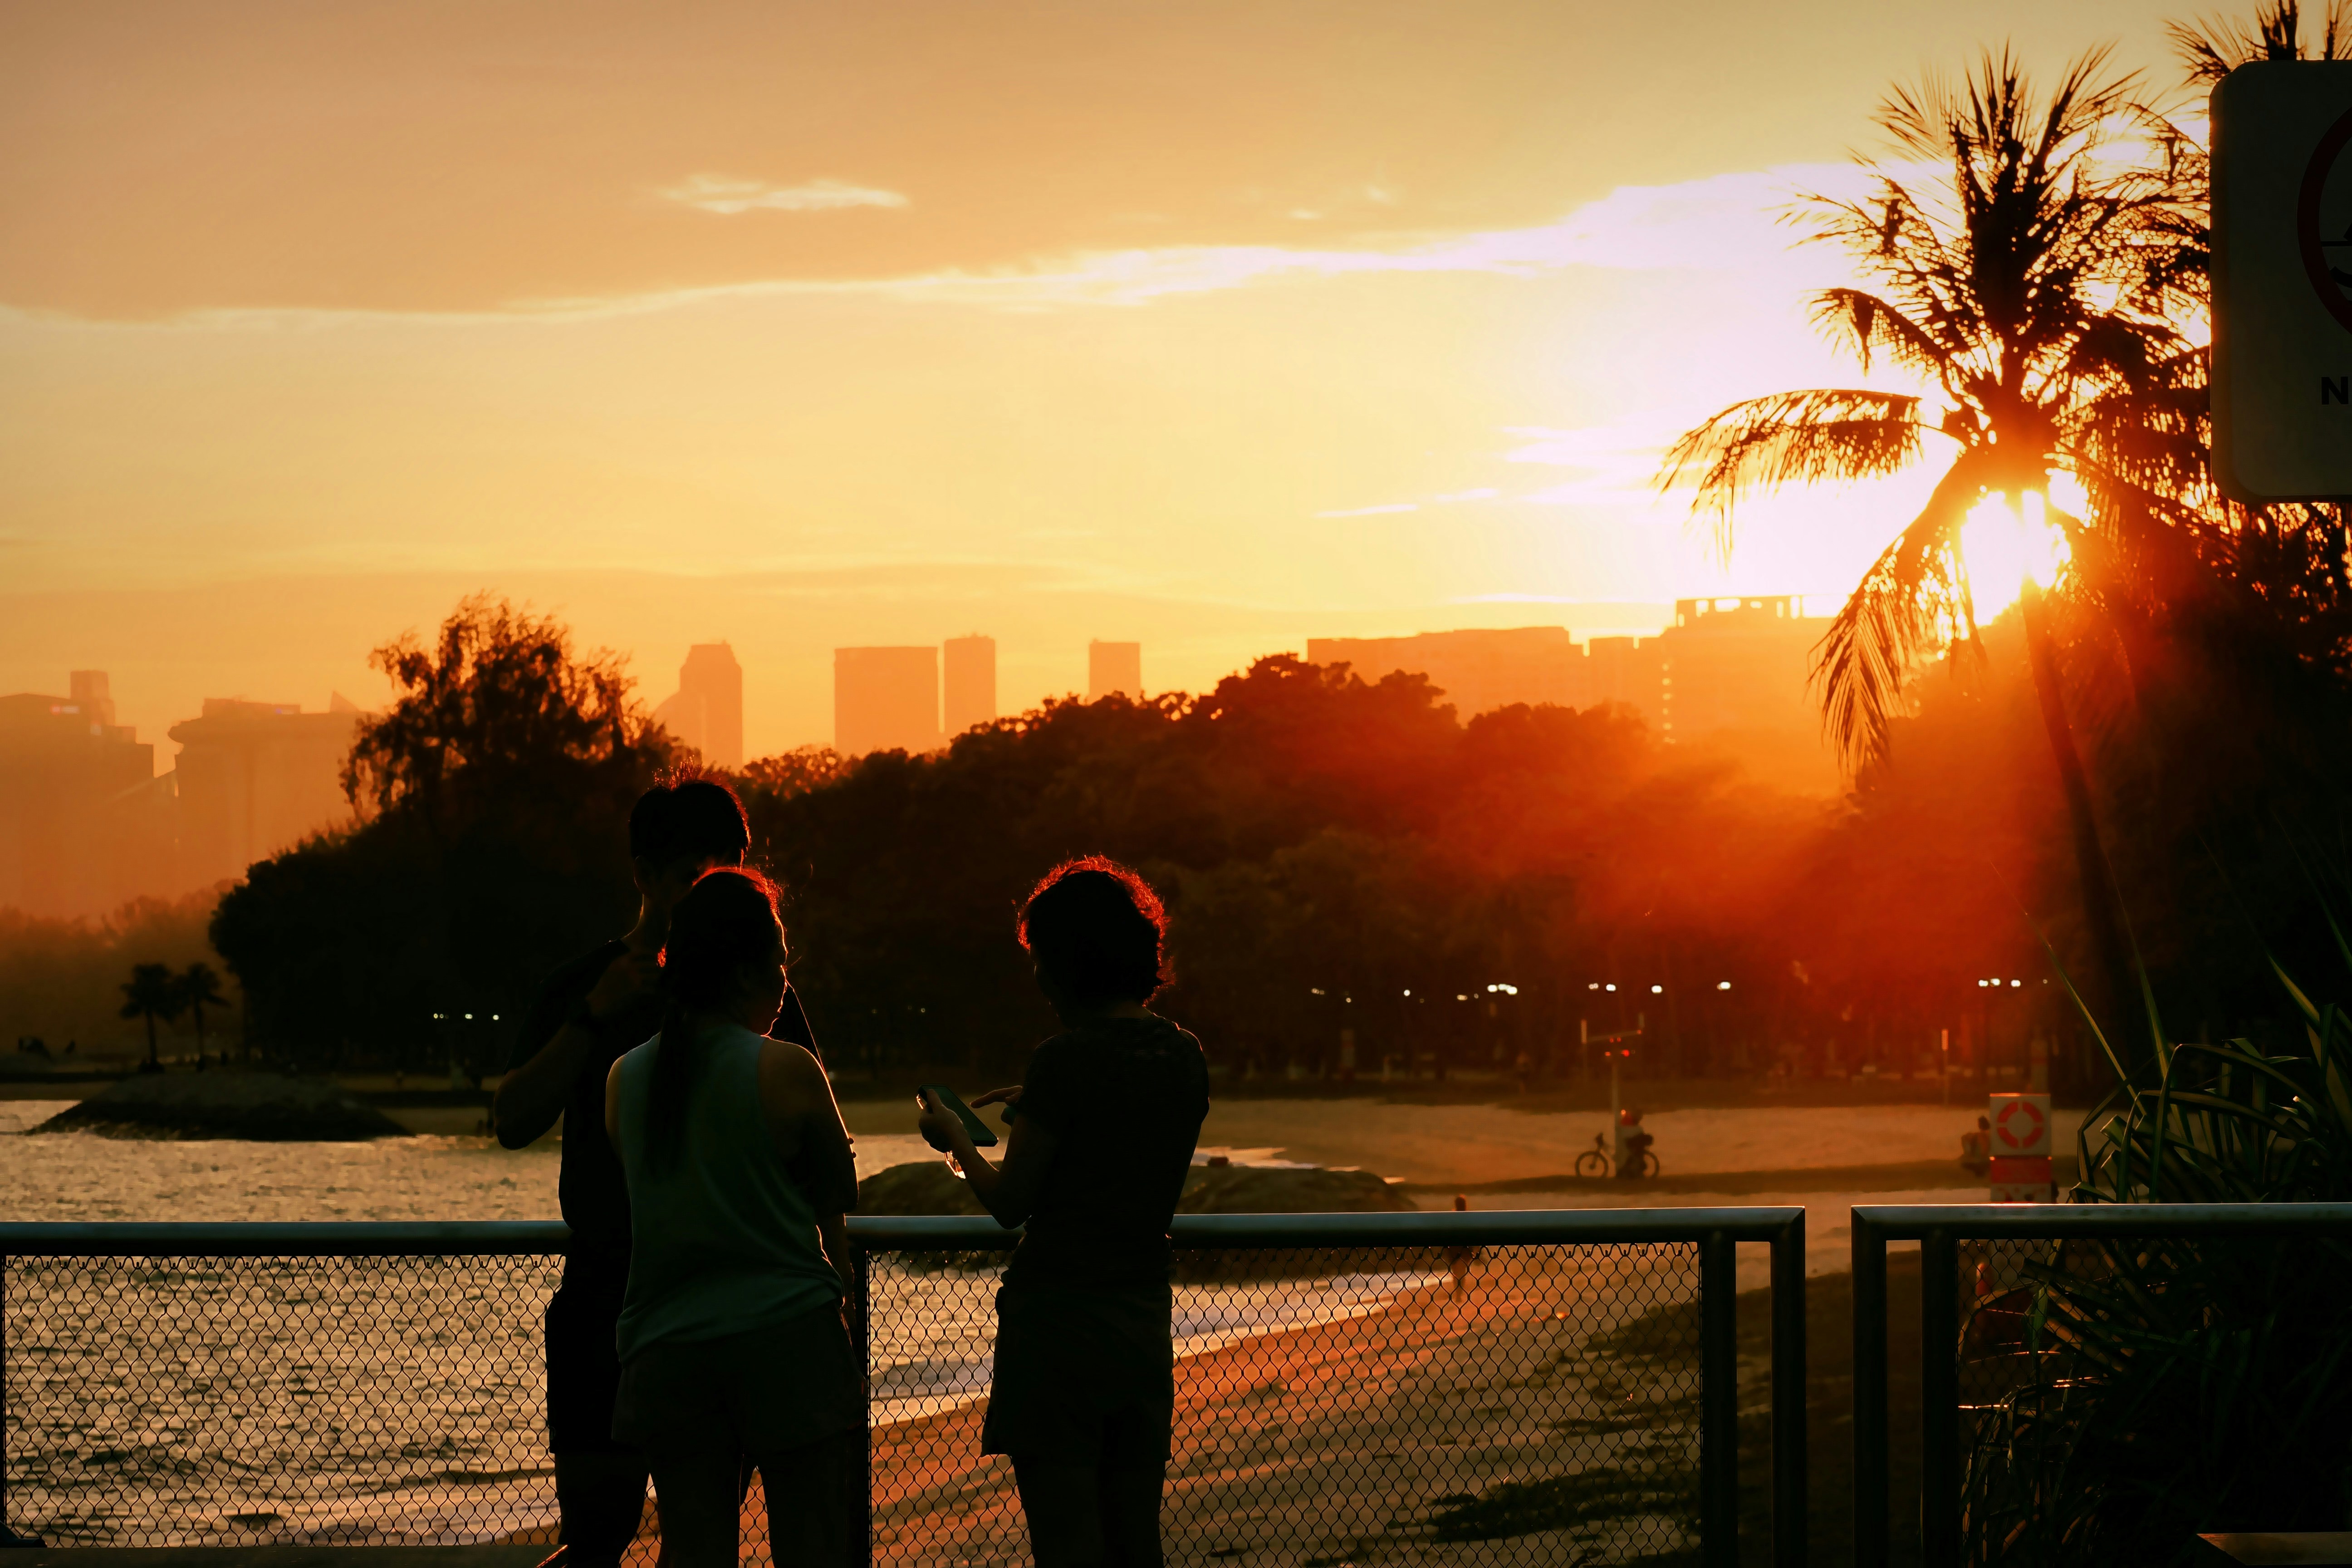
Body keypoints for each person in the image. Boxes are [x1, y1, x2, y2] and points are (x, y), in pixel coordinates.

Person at [492, 777, 756, 1568]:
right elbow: (512, 1120)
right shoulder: (581, 986)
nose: (712, 899)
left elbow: (804, 1114)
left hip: (722, 1299)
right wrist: (593, 1016)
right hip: (604, 1297)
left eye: (729, 877)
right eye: (691, 880)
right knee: (598, 1533)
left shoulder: (757, 986)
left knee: (702, 1537)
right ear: (644, 876)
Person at [916, 857, 1209, 1568]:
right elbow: (1122, 1138)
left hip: (1058, 1326)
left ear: (1069, 963)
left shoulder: (1064, 1062)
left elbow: (1013, 1205)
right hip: (1141, 1316)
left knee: (1067, 1541)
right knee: (1136, 1536)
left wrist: (956, 1143)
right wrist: (1046, 1101)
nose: (1038, 979)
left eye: (1040, 959)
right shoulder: (1182, 1055)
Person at [602, 868, 862, 1568]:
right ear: (747, 971)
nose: (786, 983)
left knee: (693, 1548)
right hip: (785, 1339)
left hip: (666, 1347)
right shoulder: (787, 1069)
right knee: (812, 1546)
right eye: (780, 963)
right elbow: (840, 1185)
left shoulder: (626, 1078)